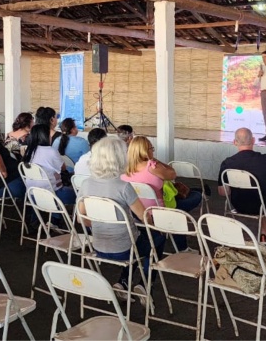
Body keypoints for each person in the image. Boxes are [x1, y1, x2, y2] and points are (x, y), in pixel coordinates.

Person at [77, 136, 165, 302]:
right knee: (157, 238)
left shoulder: (86, 184)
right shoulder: (123, 187)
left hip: (98, 246)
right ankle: (145, 285)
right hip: (125, 249)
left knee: (136, 241)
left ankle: (123, 282)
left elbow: (82, 220)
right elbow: (144, 217)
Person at [123, 135, 202, 252]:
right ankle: (181, 245)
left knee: (177, 210)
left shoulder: (125, 169)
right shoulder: (152, 167)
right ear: (144, 151)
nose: (153, 151)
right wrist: (154, 160)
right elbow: (172, 174)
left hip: (136, 213)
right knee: (196, 196)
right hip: (160, 211)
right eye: (151, 149)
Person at [217, 127, 266, 245]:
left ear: (234, 142)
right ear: (253, 140)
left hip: (239, 205)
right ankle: (264, 233)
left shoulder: (227, 163)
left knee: (265, 192)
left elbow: (223, 192)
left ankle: (234, 235)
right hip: (263, 206)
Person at [22, 124, 76, 205]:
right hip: (52, 194)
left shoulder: (29, 151)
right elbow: (63, 168)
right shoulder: (51, 151)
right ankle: (57, 216)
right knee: (78, 195)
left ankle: (38, 217)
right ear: (45, 136)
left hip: (32, 194)